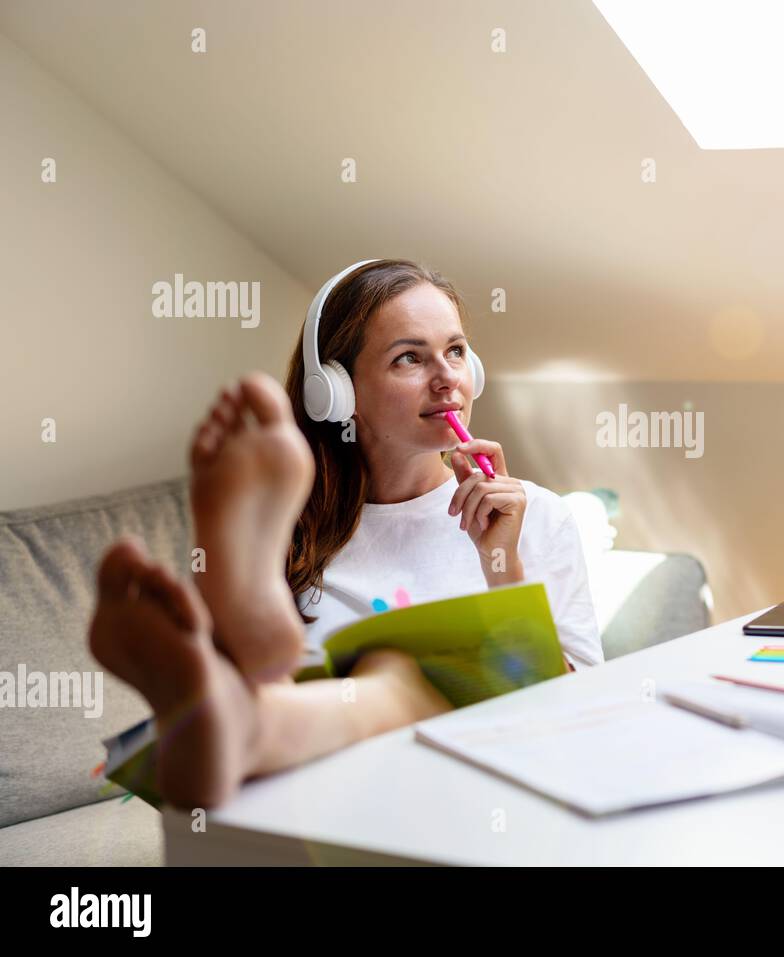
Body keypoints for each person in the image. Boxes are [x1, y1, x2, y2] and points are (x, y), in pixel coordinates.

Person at [88, 259, 603, 808]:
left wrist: (504, 569)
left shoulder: (536, 518)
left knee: (397, 676)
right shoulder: (294, 525)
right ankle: (248, 682)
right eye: (410, 357)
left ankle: (252, 700)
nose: (447, 377)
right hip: (321, 798)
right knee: (372, 681)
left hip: (484, 791)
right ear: (333, 390)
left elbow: (584, 718)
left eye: (455, 352)